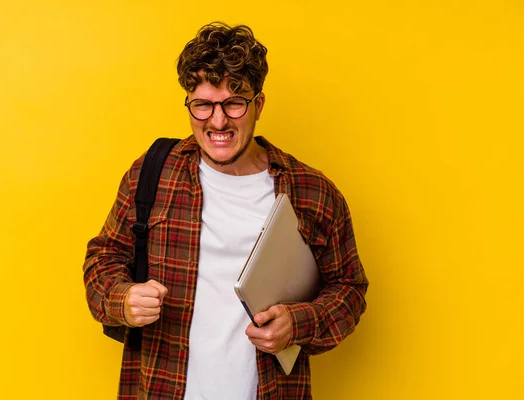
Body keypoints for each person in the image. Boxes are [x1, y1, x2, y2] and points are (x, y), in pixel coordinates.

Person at [83, 22, 368, 400]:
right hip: (161, 388)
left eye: (234, 103)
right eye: (203, 105)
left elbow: (350, 290)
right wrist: (122, 299)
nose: (218, 122)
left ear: (258, 104)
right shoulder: (152, 172)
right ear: (188, 103)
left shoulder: (311, 192)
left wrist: (297, 324)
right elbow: (103, 258)